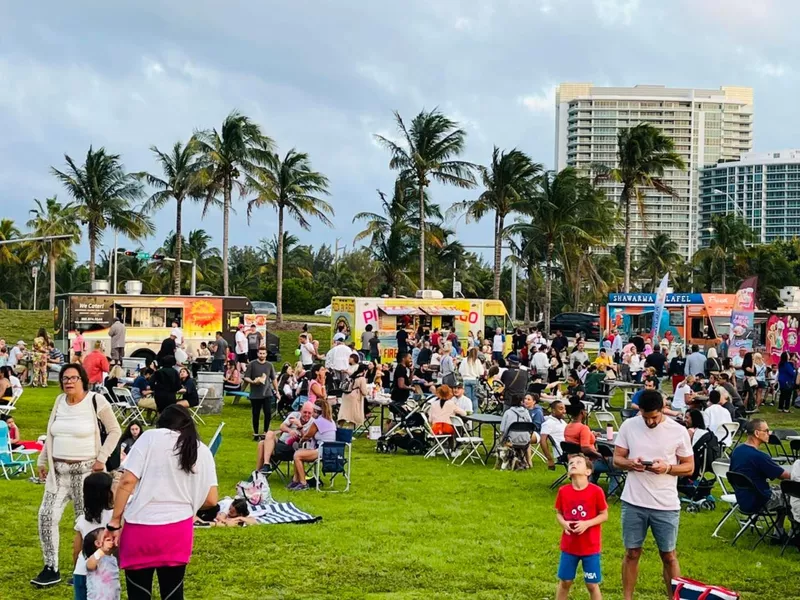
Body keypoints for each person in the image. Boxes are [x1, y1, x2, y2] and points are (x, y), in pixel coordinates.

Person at [110, 405, 218, 600]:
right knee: (173, 592)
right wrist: (185, 501)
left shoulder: (149, 437)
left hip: (141, 529)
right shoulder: (201, 449)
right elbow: (211, 500)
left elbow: (127, 481)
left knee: (138, 593)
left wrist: (114, 521)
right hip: (178, 530)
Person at [31, 363, 122, 588]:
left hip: (87, 473)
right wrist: (43, 460)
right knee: (46, 516)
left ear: (83, 380)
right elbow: (52, 432)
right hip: (58, 473)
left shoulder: (95, 400)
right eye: (65, 378)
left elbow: (115, 430)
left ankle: (84, 567)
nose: (68, 382)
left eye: (73, 378)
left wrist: (102, 457)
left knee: (87, 522)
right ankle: (50, 567)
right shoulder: (59, 402)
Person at [613, 389, 694, 600]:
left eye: (654, 418)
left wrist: (667, 468)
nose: (649, 422)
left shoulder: (678, 430)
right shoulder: (629, 426)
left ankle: (675, 597)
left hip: (665, 504)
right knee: (632, 553)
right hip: (633, 501)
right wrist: (632, 463)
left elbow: (689, 467)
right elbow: (617, 459)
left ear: (663, 410)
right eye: (645, 417)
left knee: (669, 556)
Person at [555, 454, 608, 600]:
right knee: (565, 581)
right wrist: (563, 523)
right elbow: (558, 513)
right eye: (571, 462)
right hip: (569, 546)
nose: (573, 464)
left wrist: (587, 523)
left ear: (588, 472)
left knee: (592, 584)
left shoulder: (596, 492)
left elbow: (604, 515)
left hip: (590, 547)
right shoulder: (563, 491)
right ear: (568, 472)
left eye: (579, 462)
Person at [729, 419, 790, 533]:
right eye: (766, 431)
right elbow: (785, 475)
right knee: (793, 494)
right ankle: (792, 533)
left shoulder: (737, 451)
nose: (769, 433)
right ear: (757, 433)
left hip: (743, 498)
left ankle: (779, 531)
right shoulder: (760, 457)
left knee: (782, 489)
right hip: (760, 500)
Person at [72, 471, 115, 600]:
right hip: (104, 573)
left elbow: (76, 550)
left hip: (81, 571)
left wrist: (76, 567)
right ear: (108, 493)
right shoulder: (114, 518)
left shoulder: (82, 519)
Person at [289, 399, 337, 491]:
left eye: (313, 412)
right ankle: (296, 480)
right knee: (298, 453)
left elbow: (307, 436)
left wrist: (300, 441)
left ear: (316, 412)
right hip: (331, 450)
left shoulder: (318, 422)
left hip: (323, 451)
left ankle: (303, 483)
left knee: (297, 455)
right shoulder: (331, 421)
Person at [256, 402, 315, 473]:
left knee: (262, 444)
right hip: (281, 442)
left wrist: (300, 426)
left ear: (312, 413)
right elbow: (282, 426)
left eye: (309, 413)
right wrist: (289, 430)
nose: (307, 415)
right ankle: (266, 465)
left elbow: (306, 438)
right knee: (269, 433)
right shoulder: (294, 415)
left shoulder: (313, 423)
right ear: (301, 410)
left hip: (292, 448)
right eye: (305, 412)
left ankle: (258, 473)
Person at [244, 347, 279, 441]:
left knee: (267, 413)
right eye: (260, 353)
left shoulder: (269, 365)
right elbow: (246, 377)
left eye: (264, 353)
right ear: (257, 354)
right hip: (255, 394)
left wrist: (277, 391)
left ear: (266, 354)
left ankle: (265, 433)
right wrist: (253, 381)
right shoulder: (252, 364)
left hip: (267, 393)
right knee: (256, 414)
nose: (262, 355)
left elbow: (273, 379)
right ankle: (255, 433)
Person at [83, 526, 120, 600]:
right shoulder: (95, 559)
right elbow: (90, 566)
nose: (111, 540)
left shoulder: (112, 558)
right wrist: (101, 550)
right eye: (107, 538)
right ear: (98, 543)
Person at [339, 363, 368, 428]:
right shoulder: (362, 378)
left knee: (344, 414)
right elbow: (364, 392)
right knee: (352, 416)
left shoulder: (352, 376)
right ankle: (350, 432)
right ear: (364, 371)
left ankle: (339, 428)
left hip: (346, 396)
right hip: (354, 398)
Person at [541, 400, 568, 470]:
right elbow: (543, 441)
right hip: (563, 453)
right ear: (553, 411)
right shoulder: (549, 423)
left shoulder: (562, 422)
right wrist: (549, 459)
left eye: (564, 409)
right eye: (561, 409)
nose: (564, 411)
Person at [459, 347, 485, 413]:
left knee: (468, 398)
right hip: (474, 379)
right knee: (475, 398)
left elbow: (460, 370)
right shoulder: (477, 361)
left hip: (466, 379)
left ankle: (469, 411)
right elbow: (481, 372)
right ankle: (475, 413)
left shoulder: (464, 360)